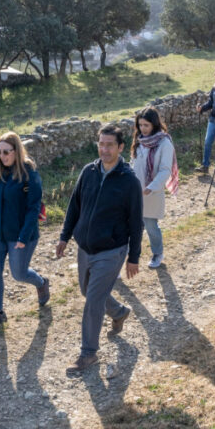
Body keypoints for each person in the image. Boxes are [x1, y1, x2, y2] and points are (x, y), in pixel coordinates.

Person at [56, 125, 143, 374]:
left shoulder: (129, 182)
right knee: (87, 291)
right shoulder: (88, 172)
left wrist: (133, 258)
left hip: (112, 250)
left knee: (93, 299)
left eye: (110, 145)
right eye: (101, 144)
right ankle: (119, 312)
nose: (104, 149)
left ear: (121, 148)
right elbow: (74, 206)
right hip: (85, 247)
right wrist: (64, 237)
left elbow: (136, 223)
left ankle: (88, 353)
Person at [0, 132, 50, 331]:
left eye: (7, 152)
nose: (2, 156)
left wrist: (23, 237)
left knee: (19, 274)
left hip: (20, 235)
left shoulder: (29, 175)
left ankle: (41, 282)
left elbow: (33, 208)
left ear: (16, 151)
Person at [130, 107, 178, 269]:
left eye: (146, 125)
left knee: (151, 226)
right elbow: (133, 162)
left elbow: (165, 169)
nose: (142, 129)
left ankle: (157, 253)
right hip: (135, 191)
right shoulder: (139, 140)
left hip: (151, 192)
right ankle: (132, 256)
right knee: (133, 227)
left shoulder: (164, 143)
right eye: (140, 125)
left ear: (154, 125)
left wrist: (151, 187)